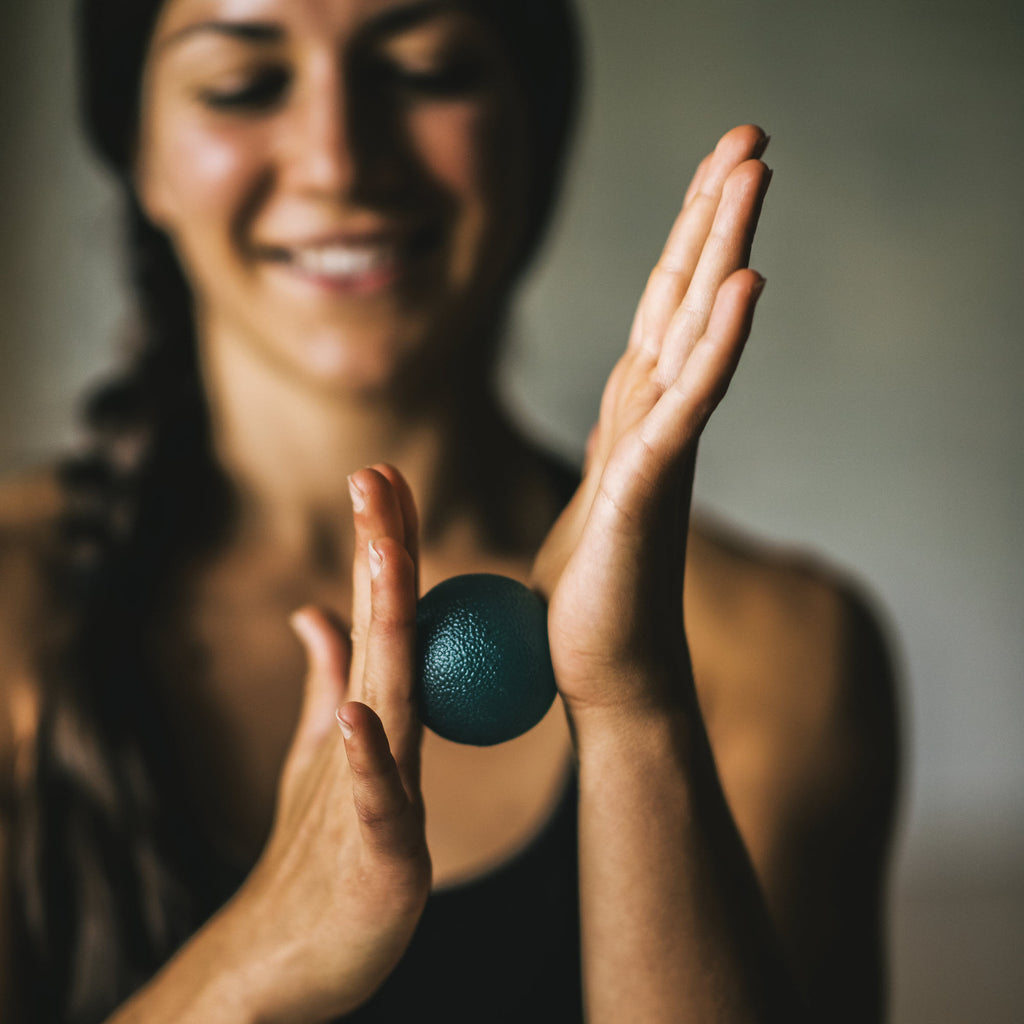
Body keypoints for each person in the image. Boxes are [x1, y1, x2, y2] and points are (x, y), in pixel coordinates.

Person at [0, 0, 900, 1021]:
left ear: (538, 128)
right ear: (139, 151)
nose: (338, 160)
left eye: (424, 70)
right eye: (243, 86)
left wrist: (631, 711)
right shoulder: (14, 616)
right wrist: (249, 964)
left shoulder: (782, 655)